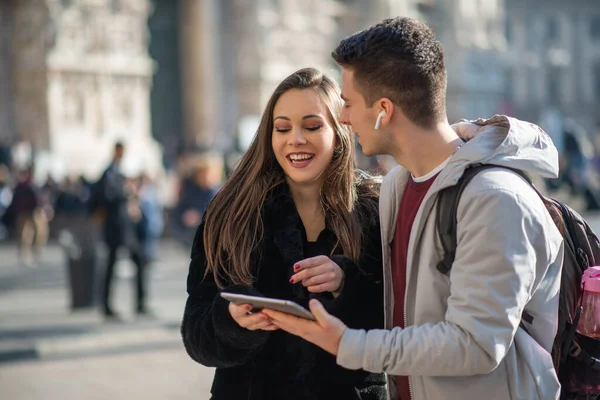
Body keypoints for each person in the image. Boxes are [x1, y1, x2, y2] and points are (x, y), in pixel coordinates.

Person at [263, 18, 564, 400]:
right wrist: (346, 275)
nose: (343, 117)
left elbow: (476, 344)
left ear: (383, 110)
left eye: (350, 103)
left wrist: (348, 344)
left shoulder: (495, 199)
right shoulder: (396, 185)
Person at [181, 68, 387, 400]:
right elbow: (196, 336)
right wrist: (232, 322)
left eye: (312, 126)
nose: (296, 139)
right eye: (282, 128)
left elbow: (400, 327)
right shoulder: (231, 212)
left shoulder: (375, 208)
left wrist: (346, 282)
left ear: (339, 132)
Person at [98, 142, 149, 320]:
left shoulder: (117, 172)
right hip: (115, 227)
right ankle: (106, 305)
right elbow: (108, 197)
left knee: (138, 261)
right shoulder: (109, 173)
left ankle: (140, 303)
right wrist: (127, 192)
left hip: (125, 227)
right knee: (111, 265)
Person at [11, 167, 49, 266]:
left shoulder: (33, 185)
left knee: (39, 234)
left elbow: (40, 199)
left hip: (35, 212)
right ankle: (25, 255)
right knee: (25, 235)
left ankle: (36, 254)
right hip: (25, 212)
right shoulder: (22, 186)